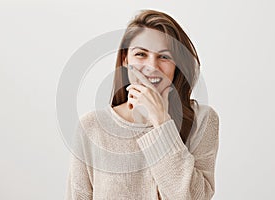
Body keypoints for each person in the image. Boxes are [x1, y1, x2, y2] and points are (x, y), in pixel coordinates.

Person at [65, 9, 219, 200]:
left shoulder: (202, 120)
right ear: (125, 60)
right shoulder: (92, 127)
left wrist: (161, 121)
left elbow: (191, 197)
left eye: (164, 56)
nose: (152, 66)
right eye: (141, 54)